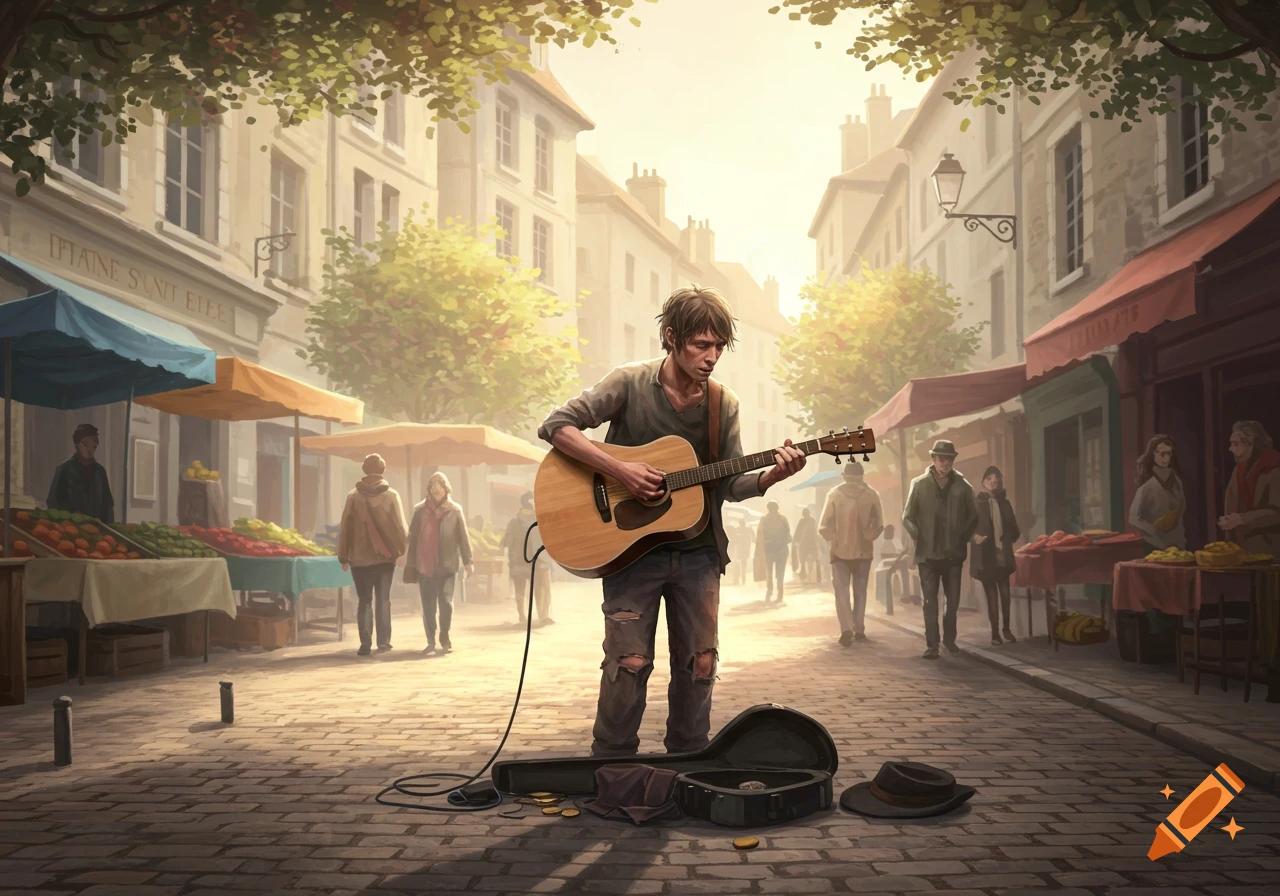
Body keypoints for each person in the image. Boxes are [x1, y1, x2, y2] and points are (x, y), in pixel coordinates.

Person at [537, 284, 805, 757]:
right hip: (627, 554)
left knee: (701, 663)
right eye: (702, 344)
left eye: (719, 346)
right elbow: (556, 425)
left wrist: (770, 479)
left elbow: (729, 485)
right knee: (630, 661)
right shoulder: (628, 383)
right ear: (671, 337)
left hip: (698, 555)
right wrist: (620, 470)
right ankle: (613, 765)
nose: (712, 356)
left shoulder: (724, 404)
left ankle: (689, 762)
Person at [902, 440, 978, 660]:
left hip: (953, 555)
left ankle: (950, 640)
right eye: (941, 459)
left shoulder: (963, 486)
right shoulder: (919, 484)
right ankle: (932, 644)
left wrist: (961, 538)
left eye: (949, 460)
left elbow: (973, 517)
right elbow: (907, 517)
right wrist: (918, 535)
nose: (945, 464)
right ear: (933, 460)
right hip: (927, 555)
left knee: (952, 601)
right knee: (929, 602)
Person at [337, 453, 408, 656]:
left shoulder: (353, 496)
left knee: (364, 600)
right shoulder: (392, 495)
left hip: (359, 558)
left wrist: (343, 556)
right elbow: (401, 528)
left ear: (364, 470)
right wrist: (402, 552)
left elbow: (345, 529)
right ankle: (384, 642)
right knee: (383, 599)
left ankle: (365, 643)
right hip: (386, 557)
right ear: (383, 470)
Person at [403, 472, 473, 654]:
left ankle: (445, 635)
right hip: (424, 564)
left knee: (446, 602)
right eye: (432, 484)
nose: (436, 488)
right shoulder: (419, 510)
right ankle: (431, 639)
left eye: (439, 484)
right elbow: (411, 536)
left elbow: (463, 537)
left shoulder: (455, 510)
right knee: (427, 605)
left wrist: (468, 561)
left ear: (446, 488)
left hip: (447, 564)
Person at [818, 460, 883, 646]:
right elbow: (880, 524)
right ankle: (859, 628)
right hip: (864, 551)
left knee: (841, 592)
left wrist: (834, 540)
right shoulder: (872, 495)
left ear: (844, 476)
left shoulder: (834, 494)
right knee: (861, 591)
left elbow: (823, 526)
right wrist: (868, 537)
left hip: (839, 552)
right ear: (862, 477)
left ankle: (846, 628)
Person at [970, 465, 1021, 647]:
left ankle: (1006, 629)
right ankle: (995, 633)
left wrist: (1007, 537)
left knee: (1006, 595)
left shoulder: (1004, 503)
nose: (993, 482)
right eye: (990, 479)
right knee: (992, 597)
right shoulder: (977, 504)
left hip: (1003, 555)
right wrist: (974, 538)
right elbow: (966, 528)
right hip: (986, 555)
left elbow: (1015, 530)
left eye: (996, 480)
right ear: (983, 482)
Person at [1218, 420, 1280, 555]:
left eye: (1236, 444)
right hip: (1242, 548)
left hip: (1271, 549)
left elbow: (1277, 513)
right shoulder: (1239, 469)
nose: (1230, 448)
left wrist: (1241, 519)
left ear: (1252, 445)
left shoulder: (1274, 468)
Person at [1128, 434, 1187, 553]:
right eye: (1161, 454)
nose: (1165, 458)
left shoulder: (1177, 482)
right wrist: (1154, 530)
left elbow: (1182, 509)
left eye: (1168, 453)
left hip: (1178, 544)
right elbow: (1133, 518)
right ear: (1153, 454)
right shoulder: (1147, 486)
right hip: (1155, 545)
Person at [502, 491, 552, 626]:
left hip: (518, 561)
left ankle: (522, 616)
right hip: (536, 561)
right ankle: (541, 616)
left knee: (520, 590)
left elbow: (506, 541)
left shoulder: (513, 520)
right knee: (538, 589)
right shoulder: (539, 519)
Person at [47, 423, 115, 523]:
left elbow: (107, 504)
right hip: (70, 528)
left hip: (97, 530)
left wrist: (108, 529)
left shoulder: (100, 471)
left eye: (94, 445)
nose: (89, 449)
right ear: (77, 445)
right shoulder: (64, 469)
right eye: (85, 444)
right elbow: (53, 502)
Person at [755, 501, 791, 603]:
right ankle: (778, 594)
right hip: (777, 550)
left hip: (773, 550)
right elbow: (788, 536)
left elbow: (759, 536)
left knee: (771, 574)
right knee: (777, 574)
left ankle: (772, 592)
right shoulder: (782, 519)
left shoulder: (765, 520)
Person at [793, 507, 820, 584]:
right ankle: (804, 573)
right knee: (802, 560)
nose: (805, 515)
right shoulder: (802, 521)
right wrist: (796, 540)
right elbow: (798, 531)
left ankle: (816, 575)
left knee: (816, 558)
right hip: (805, 543)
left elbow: (815, 530)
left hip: (811, 542)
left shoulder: (812, 520)